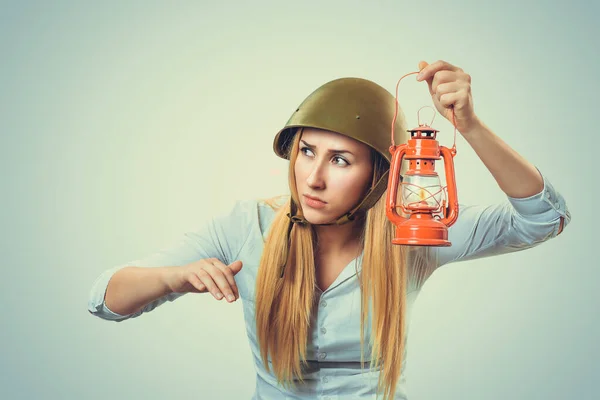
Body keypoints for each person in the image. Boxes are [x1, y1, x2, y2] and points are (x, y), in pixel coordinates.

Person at [88, 60, 571, 400]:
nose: (313, 178)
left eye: (340, 160)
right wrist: (174, 278)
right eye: (306, 151)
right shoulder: (247, 225)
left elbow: (545, 219)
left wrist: (469, 126)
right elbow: (105, 300)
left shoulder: (414, 232)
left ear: (381, 174)